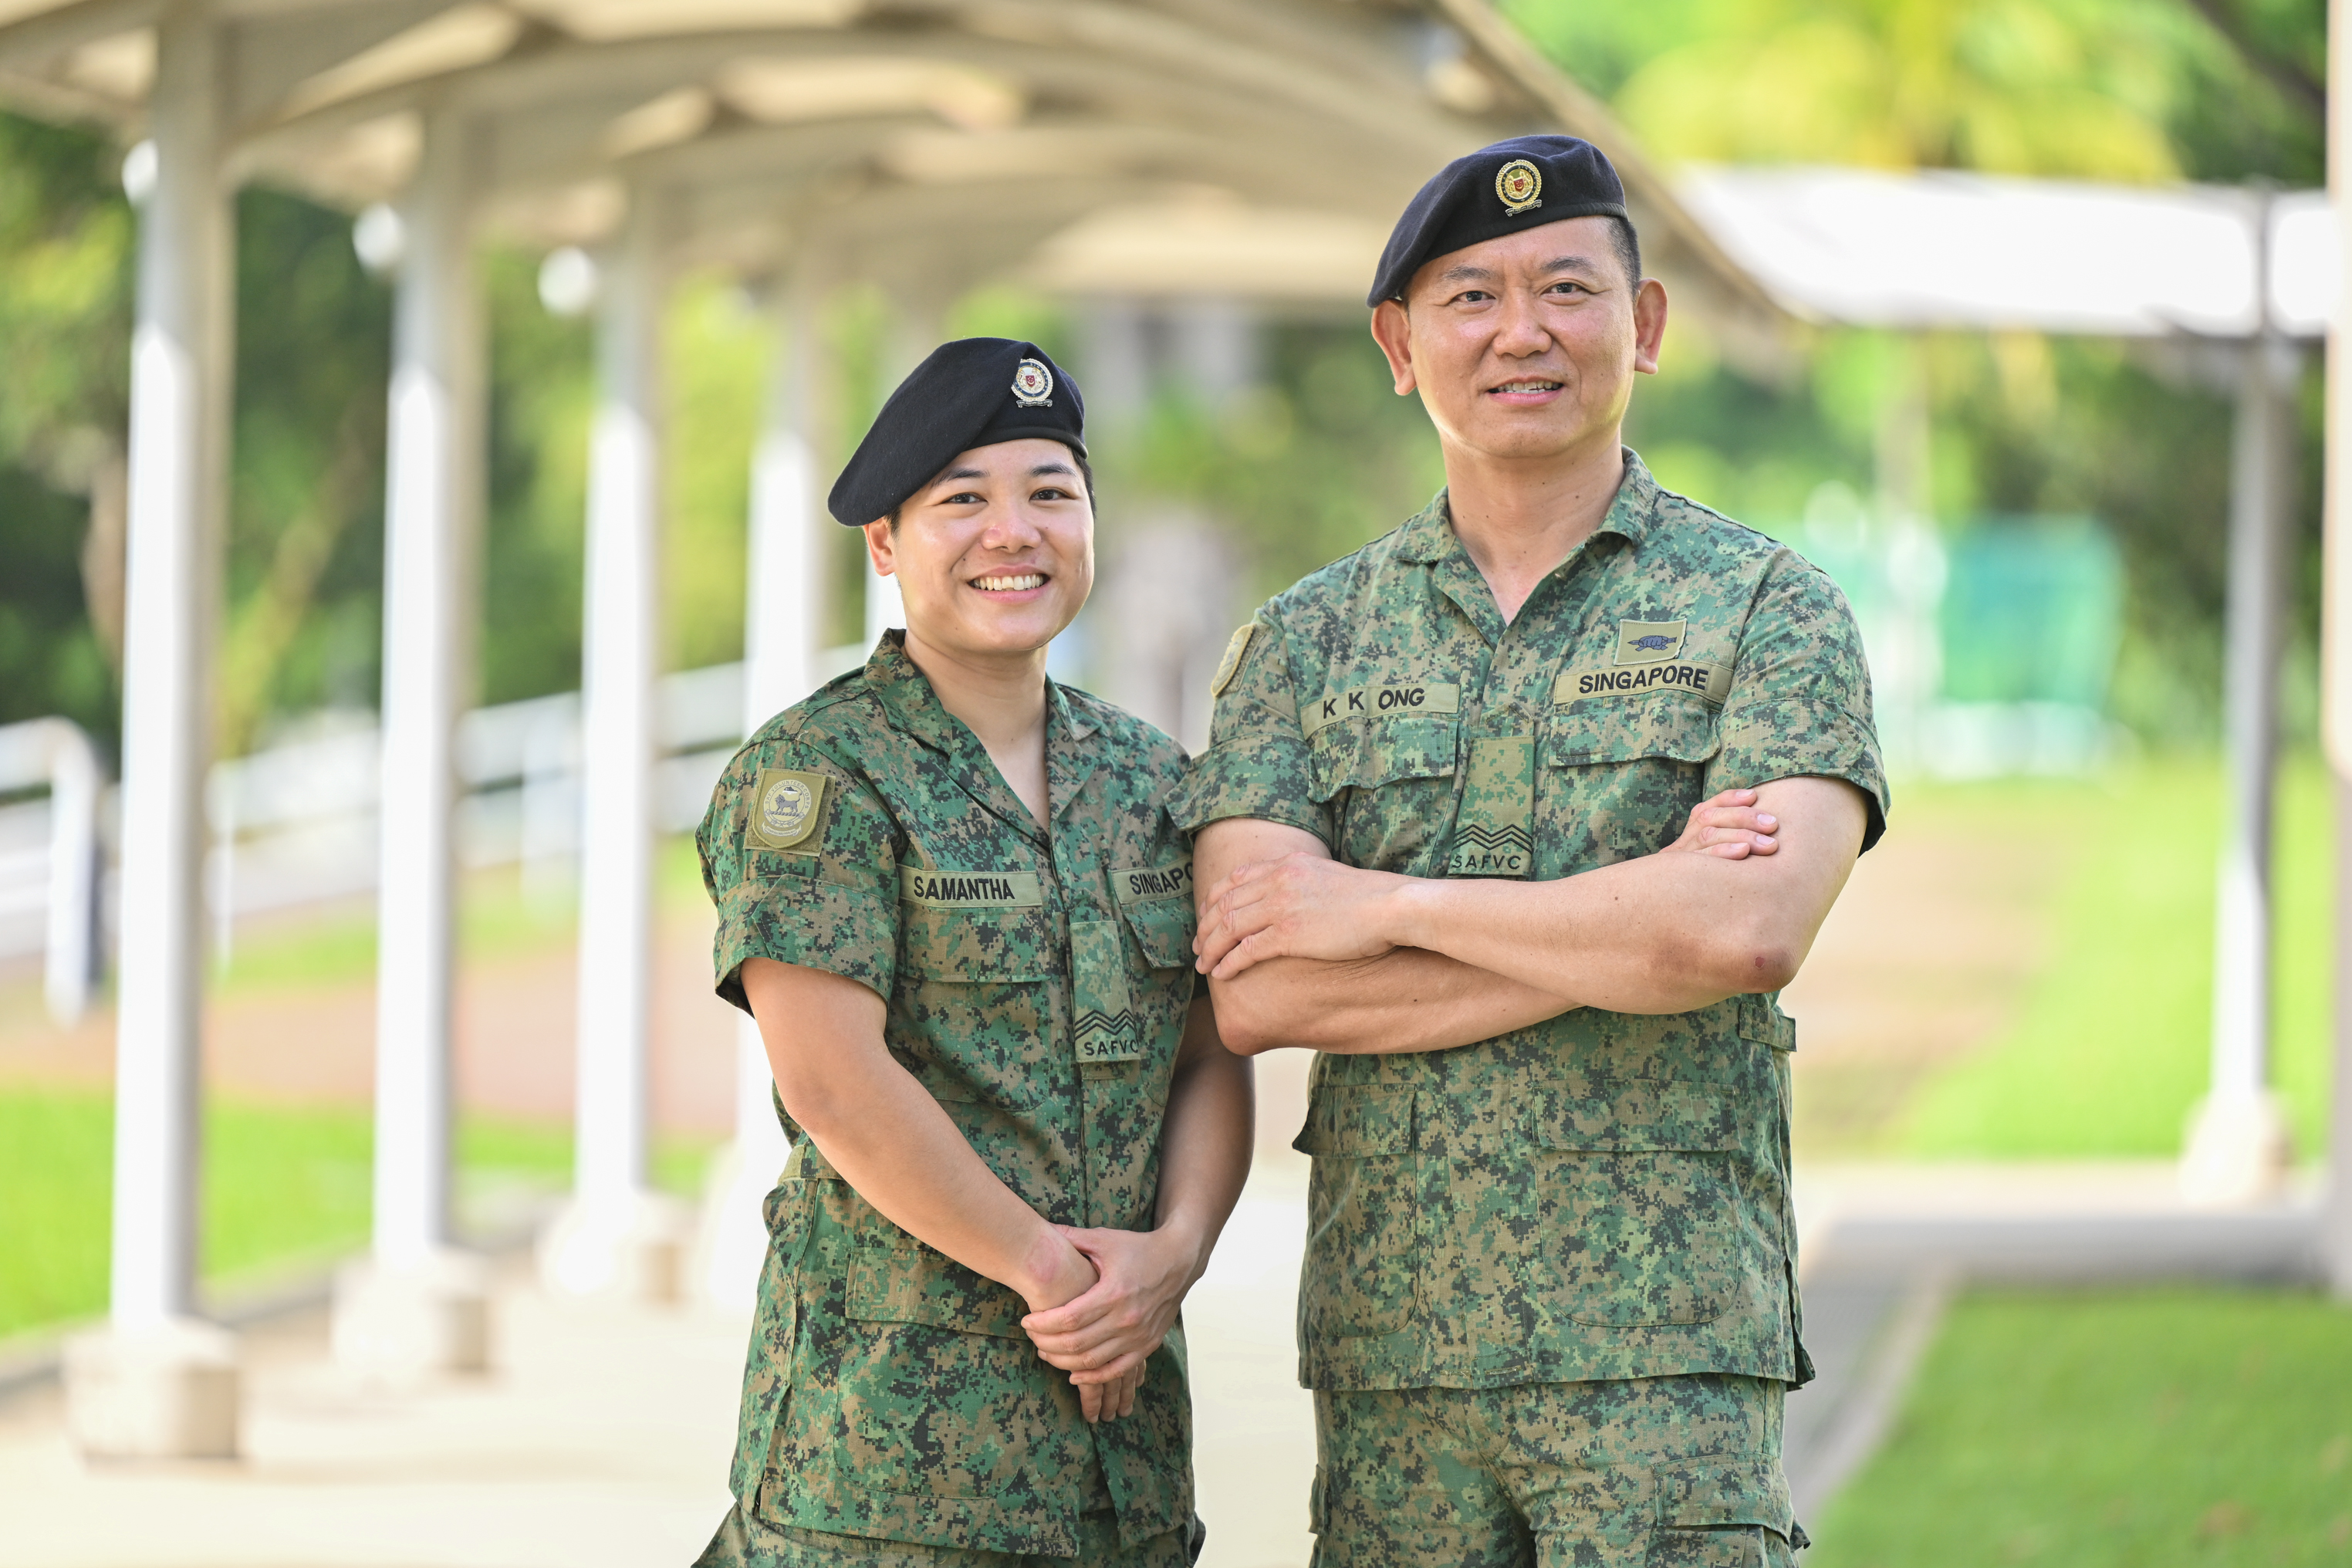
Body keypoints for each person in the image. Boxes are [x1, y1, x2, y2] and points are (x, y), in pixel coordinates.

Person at [1174, 137, 1891, 1565]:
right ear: (1399, 346)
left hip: (1669, 1353)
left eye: (1567, 289)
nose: (1522, 333)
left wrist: (1383, 903)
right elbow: (1259, 991)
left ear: (1646, 324)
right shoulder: (1305, 643)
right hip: (1395, 1361)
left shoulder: (1769, 609)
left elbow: (1746, 934)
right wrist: (1639, 928)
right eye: (1471, 297)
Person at [694, 339, 1252, 1567]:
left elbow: (1209, 1056)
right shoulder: (820, 777)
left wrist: (1175, 1257)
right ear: (885, 544)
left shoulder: (1154, 783)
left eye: (1051, 492)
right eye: (963, 500)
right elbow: (834, 1082)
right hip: (886, 1472)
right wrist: (1053, 1275)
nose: (1015, 531)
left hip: (1123, 1469)